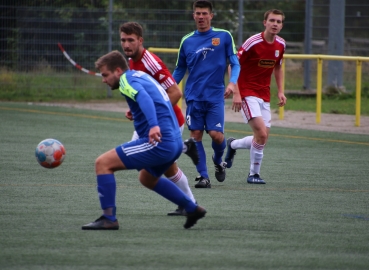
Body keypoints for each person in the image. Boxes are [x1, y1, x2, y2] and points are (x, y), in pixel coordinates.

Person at [81, 51, 206, 230]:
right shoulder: (139, 75)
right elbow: (158, 99)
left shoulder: (126, 80)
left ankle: (109, 219)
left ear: (117, 70)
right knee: (147, 178)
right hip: (175, 142)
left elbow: (144, 97)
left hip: (160, 142)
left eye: (105, 75)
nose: (103, 80)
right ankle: (192, 208)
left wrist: (154, 125)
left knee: (102, 163)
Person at [120, 22, 197, 216]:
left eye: (131, 40)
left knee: (136, 157)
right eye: (123, 40)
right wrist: (136, 110)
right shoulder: (131, 60)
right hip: (154, 121)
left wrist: (151, 115)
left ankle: (186, 147)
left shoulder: (150, 62)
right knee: (169, 169)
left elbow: (175, 92)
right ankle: (190, 204)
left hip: (168, 121)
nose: (126, 44)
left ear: (140, 41)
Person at [172, 0, 240, 188]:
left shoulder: (224, 36)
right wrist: (165, 89)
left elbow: (235, 63)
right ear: (193, 15)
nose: (201, 16)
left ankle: (218, 162)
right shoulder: (187, 40)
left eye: (204, 13)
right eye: (197, 13)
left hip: (215, 96)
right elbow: (179, 70)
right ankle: (203, 176)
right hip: (193, 97)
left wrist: (233, 84)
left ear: (211, 15)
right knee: (195, 136)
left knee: (216, 135)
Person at [225, 9, 287, 184]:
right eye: (272, 20)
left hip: (264, 94)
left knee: (262, 138)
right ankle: (253, 175)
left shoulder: (281, 44)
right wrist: (237, 92)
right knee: (260, 133)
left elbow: (278, 67)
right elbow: (232, 64)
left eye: (279, 21)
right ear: (265, 22)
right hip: (247, 92)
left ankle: (232, 145)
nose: (275, 24)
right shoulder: (253, 42)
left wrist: (281, 91)